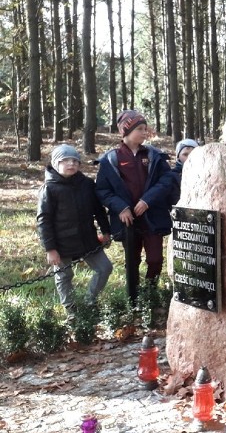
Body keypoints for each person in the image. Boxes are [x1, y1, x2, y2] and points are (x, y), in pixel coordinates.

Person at [96, 110, 173, 303]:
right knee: (132, 260)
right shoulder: (110, 159)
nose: (144, 133)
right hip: (127, 221)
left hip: (152, 217)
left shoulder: (154, 156)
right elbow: (103, 191)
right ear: (126, 131)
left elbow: (166, 181)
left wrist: (147, 200)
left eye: (145, 129)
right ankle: (134, 299)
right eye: (139, 129)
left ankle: (150, 293)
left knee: (155, 259)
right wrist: (121, 208)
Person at [37, 145, 112, 315]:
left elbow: (98, 209)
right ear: (56, 163)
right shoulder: (49, 188)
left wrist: (106, 231)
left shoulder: (86, 184)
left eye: (75, 161)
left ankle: (89, 302)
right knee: (64, 276)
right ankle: (71, 312)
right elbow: (44, 221)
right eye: (66, 161)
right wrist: (50, 249)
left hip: (87, 239)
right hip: (61, 243)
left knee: (104, 268)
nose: (71, 164)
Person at [171, 139, 199, 205]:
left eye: (193, 154)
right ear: (178, 157)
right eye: (185, 154)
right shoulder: (173, 176)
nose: (189, 157)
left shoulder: (205, 174)